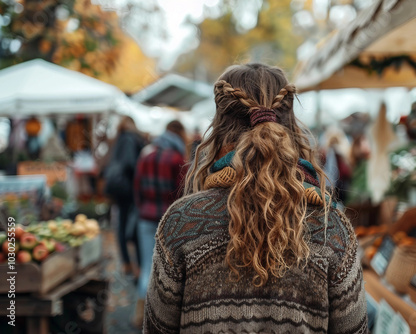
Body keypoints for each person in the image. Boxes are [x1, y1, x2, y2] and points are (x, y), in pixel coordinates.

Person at [144, 63, 368, 333]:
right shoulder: (331, 227)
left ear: (217, 129)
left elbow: (157, 329)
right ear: (291, 126)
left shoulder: (181, 223)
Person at [132, 120, 187, 328]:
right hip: (169, 221)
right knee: (167, 267)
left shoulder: (146, 155)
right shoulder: (177, 159)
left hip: (145, 218)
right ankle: (159, 318)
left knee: (147, 264)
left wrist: (142, 209)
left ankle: (139, 315)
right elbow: (182, 193)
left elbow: (136, 189)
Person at [104, 116, 145, 278]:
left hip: (117, 186)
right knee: (131, 224)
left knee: (121, 222)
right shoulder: (129, 138)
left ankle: (127, 262)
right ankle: (136, 265)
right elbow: (130, 163)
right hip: (128, 187)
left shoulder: (118, 139)